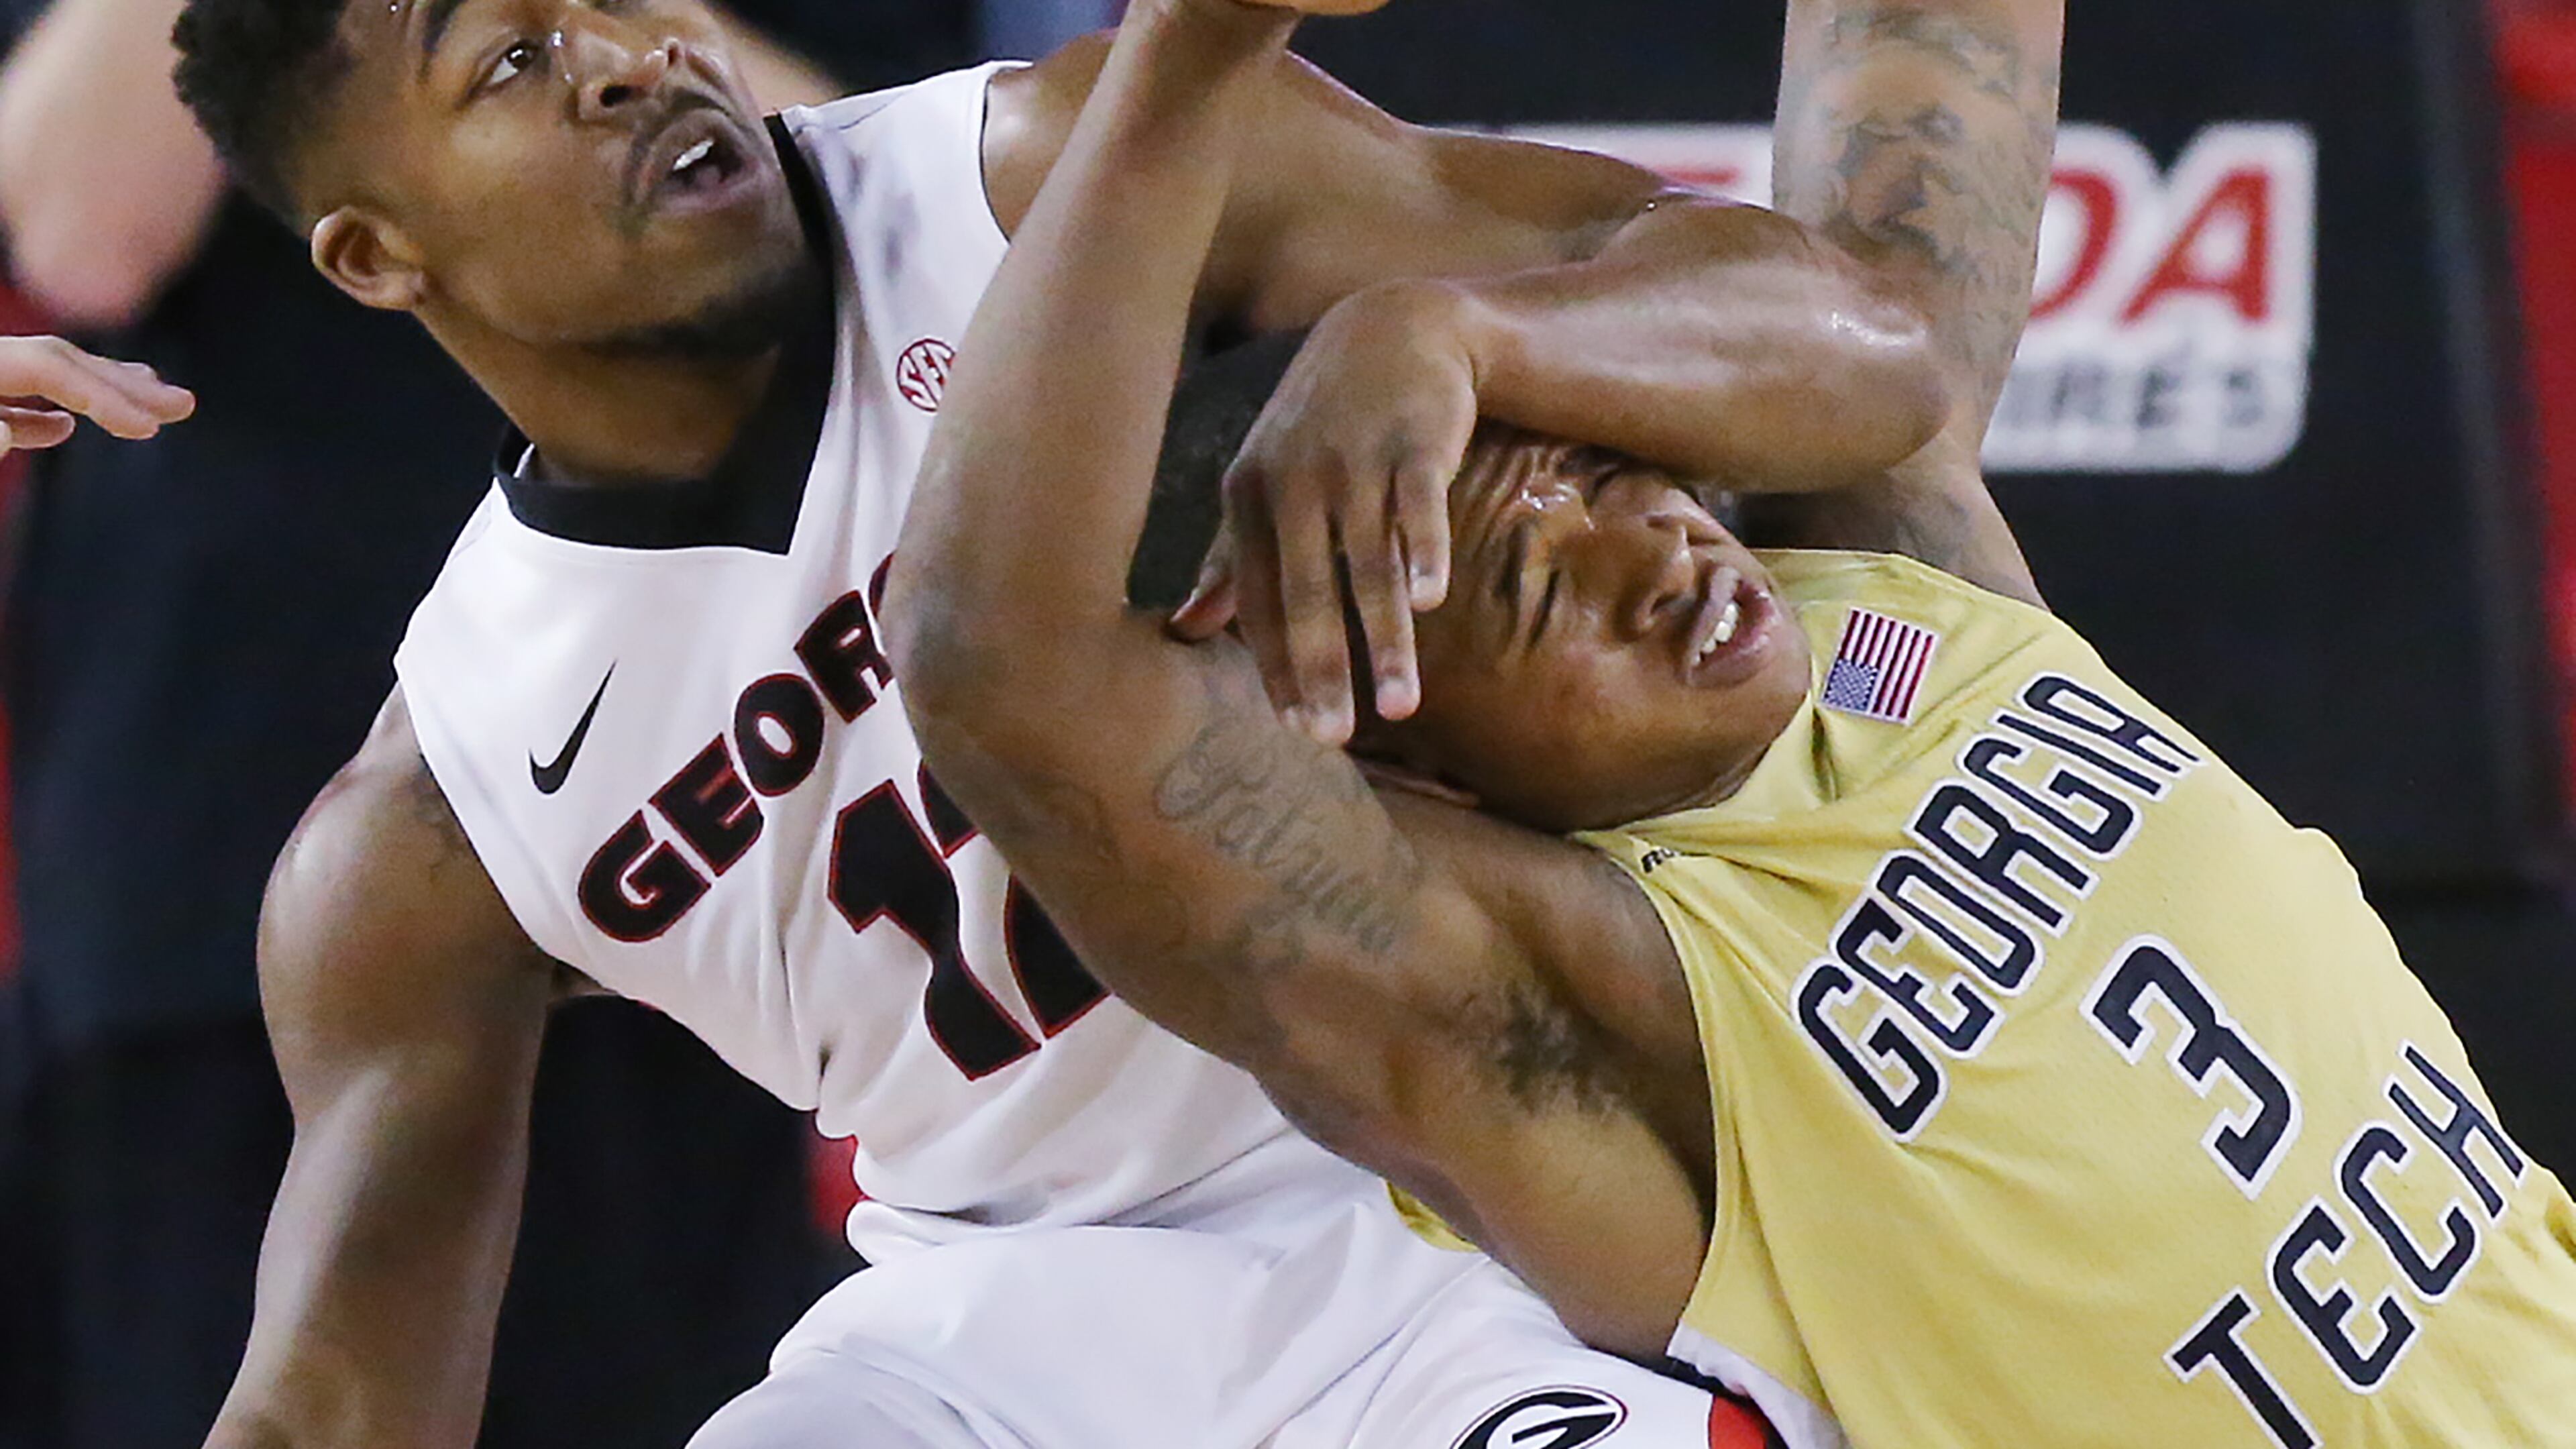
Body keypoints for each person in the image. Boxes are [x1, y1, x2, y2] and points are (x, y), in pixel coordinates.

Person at [158, 0, 1956, 1438]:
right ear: (377, 257)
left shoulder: (1038, 175)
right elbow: (333, 1402)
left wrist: (1462, 335)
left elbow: (1859, 344)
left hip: (1471, 1156)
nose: (631, 57)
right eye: (514, 62)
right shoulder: (442, 806)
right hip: (1013, 1322)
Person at [882, 0, 2576, 1444]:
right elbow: (1007, 675)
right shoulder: (1572, 1013)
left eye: (1613, 474)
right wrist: (1200, 44)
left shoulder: (1892, 587)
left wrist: (1448, 324)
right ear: (1402, 760)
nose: (1656, 552)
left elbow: (1910, 197)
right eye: (1538, 593)